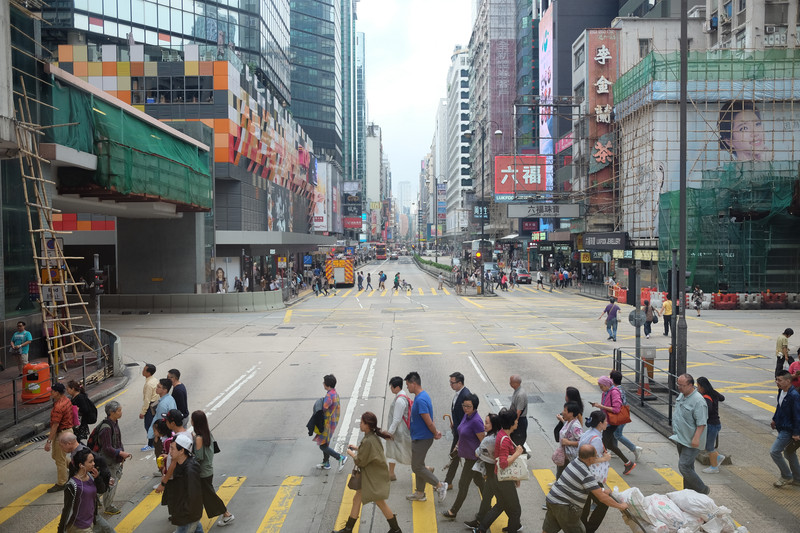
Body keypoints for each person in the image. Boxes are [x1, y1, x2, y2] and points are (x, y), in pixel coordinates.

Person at [333, 412, 402, 533]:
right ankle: (348, 529)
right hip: (372, 476)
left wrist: (352, 454)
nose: (360, 424)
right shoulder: (373, 437)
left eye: (362, 423)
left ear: (368, 425)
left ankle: (396, 529)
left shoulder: (369, 440)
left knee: (380, 503)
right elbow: (370, 452)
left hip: (372, 478)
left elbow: (360, 461)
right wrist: (358, 448)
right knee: (357, 500)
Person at [543, 444, 629, 533]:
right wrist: (620, 506)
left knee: (548, 530)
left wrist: (602, 490)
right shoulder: (586, 474)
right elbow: (602, 498)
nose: (596, 457)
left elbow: (582, 485)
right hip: (564, 507)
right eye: (595, 456)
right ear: (590, 459)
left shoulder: (575, 462)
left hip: (552, 500)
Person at [469, 408, 523, 533]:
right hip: (504, 480)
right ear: (511, 423)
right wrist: (517, 453)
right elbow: (503, 463)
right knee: (515, 510)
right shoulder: (504, 439)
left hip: (498, 477)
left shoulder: (502, 434)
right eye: (515, 420)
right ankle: (512, 529)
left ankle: (481, 529)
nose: (517, 422)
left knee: (501, 505)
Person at [404, 371, 447, 502]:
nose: (407, 387)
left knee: (417, 467)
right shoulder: (421, 396)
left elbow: (428, 420)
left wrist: (434, 432)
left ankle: (439, 485)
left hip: (422, 438)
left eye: (407, 385)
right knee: (419, 465)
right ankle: (420, 493)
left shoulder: (421, 399)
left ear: (414, 383)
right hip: (420, 436)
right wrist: (435, 431)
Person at [442, 394, 485, 520]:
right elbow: (461, 432)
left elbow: (483, 442)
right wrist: (457, 446)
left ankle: (453, 511)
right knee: (479, 482)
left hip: (473, 458)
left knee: (463, 484)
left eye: (468, 406)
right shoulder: (466, 416)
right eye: (464, 405)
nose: (465, 408)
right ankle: (489, 505)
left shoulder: (476, 421)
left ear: (475, 407)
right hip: (466, 455)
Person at [191, 410, 235, 526]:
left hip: (202, 472)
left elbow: (198, 457)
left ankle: (227, 514)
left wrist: (193, 444)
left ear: (195, 422)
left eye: (192, 419)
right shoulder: (207, 434)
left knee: (210, 496)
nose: (190, 421)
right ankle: (194, 518)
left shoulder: (199, 438)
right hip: (208, 470)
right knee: (205, 495)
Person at [670, 373, 710, 494]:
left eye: (682, 385)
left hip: (692, 440)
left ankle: (702, 489)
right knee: (688, 468)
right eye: (678, 384)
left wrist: (696, 438)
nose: (679, 387)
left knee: (684, 466)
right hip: (681, 437)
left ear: (691, 385)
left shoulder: (698, 401)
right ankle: (687, 493)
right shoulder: (682, 395)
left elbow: (701, 423)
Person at [591, 375, 637, 475]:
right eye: (599, 386)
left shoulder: (614, 392)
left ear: (607, 384)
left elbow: (616, 409)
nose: (601, 388)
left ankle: (597, 468)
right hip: (606, 422)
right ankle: (628, 463)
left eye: (602, 386)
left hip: (612, 423)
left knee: (602, 445)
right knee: (610, 445)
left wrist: (601, 406)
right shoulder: (605, 392)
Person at [463, 413, 500, 530]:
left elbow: (477, 453)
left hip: (494, 474)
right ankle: (480, 520)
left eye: (487, 423)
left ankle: (515, 523)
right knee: (487, 497)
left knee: (504, 502)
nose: (484, 425)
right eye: (485, 422)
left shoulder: (488, 440)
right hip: (492, 473)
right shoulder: (497, 435)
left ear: (493, 425)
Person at [95, 400, 130, 515]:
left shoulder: (114, 423)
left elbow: (118, 441)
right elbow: (107, 448)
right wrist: (120, 453)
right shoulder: (106, 428)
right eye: (119, 410)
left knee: (106, 482)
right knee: (111, 483)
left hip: (114, 460)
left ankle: (95, 498)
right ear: (111, 412)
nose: (121, 412)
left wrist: (121, 453)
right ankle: (108, 506)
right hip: (108, 461)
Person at [164, 433, 204, 533]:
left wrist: (185, 513)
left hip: (187, 516)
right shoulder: (180, 463)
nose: (170, 452)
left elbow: (194, 495)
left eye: (172, 449)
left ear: (182, 451)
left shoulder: (190, 469)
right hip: (183, 513)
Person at [57, 448, 101, 533]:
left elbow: (102, 490)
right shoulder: (72, 485)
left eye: (93, 461)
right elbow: (67, 509)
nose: (93, 464)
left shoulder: (91, 477)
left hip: (90, 522)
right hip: (79, 526)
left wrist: (98, 478)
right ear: (81, 465)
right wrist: (60, 530)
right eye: (90, 462)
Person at [770, 370, 800, 487]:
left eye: (780, 380)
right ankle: (797, 478)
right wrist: (774, 419)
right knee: (789, 452)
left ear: (788, 381)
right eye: (776, 379)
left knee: (774, 451)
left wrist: (796, 433)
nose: (777, 382)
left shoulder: (794, 396)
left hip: (788, 429)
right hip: (781, 426)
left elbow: (797, 416)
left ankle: (786, 476)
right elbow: (779, 407)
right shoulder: (781, 391)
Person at [44, 383, 74, 493]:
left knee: (59, 460)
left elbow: (55, 425)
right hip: (68, 431)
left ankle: (62, 482)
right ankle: (74, 467)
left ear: (57, 393)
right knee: (57, 456)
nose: (50, 393)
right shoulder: (66, 400)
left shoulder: (58, 407)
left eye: (52, 391)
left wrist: (48, 441)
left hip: (62, 434)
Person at [608, 370, 643, 464]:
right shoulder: (620, 388)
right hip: (622, 415)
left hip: (620, 416)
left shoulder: (615, 391)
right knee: (614, 432)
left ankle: (635, 448)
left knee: (617, 434)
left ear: (612, 379)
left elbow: (617, 406)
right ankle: (614, 450)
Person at [444, 372, 472, 489]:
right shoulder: (458, 393)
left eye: (452, 382)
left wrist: (460, 430)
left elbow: (468, 416)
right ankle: (448, 482)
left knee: (455, 456)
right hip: (459, 430)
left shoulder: (466, 396)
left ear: (460, 383)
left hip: (462, 434)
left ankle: (447, 482)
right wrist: (454, 424)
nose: (450, 385)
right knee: (463, 457)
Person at [314, 374, 347, 471]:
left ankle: (340, 457)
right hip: (332, 422)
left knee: (322, 446)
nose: (323, 384)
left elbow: (323, 409)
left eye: (324, 382)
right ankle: (326, 462)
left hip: (327, 423)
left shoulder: (329, 396)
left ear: (327, 385)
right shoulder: (334, 393)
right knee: (325, 443)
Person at [385, 377, 412, 481]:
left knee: (408, 454)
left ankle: (426, 470)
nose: (391, 388)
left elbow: (396, 419)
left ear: (396, 387)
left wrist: (389, 433)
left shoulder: (400, 400)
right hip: (398, 431)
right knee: (393, 451)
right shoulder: (402, 395)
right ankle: (391, 473)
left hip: (399, 432)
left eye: (391, 387)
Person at [697, 377, 726, 474]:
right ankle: (718, 457)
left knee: (709, 447)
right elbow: (722, 398)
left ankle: (714, 467)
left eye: (698, 386)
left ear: (702, 387)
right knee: (708, 445)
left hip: (711, 425)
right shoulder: (713, 393)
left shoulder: (706, 397)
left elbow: (708, 409)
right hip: (717, 423)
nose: (698, 388)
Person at [148, 378, 177, 455]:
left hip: (162, 436)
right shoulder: (170, 399)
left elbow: (160, 422)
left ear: (165, 390)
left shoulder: (163, 404)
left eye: (159, 387)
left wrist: (157, 437)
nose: (156, 388)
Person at [555, 402, 583, 479]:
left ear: (571, 413)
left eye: (565, 410)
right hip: (565, 456)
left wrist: (568, 442)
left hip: (570, 458)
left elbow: (582, 442)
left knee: (562, 478)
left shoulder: (576, 426)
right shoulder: (568, 422)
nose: (563, 412)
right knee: (560, 477)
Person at [139, 363, 159, 451]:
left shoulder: (148, 384)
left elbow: (147, 400)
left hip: (151, 407)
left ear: (148, 373)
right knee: (154, 424)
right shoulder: (155, 380)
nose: (142, 371)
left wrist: (143, 412)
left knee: (149, 426)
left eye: (144, 370)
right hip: (156, 404)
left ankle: (151, 444)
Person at [509, 375, 528, 448]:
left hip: (519, 421)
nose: (509, 383)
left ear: (516, 383)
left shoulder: (520, 394)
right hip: (516, 419)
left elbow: (518, 411)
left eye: (511, 382)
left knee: (517, 442)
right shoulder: (517, 391)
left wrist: (514, 423)